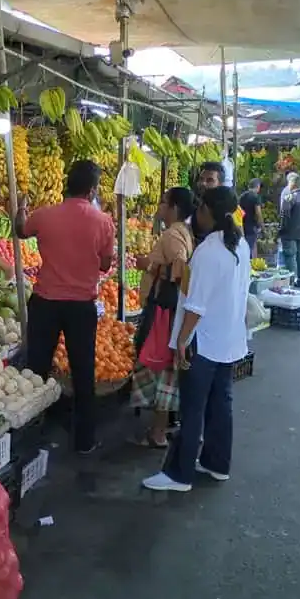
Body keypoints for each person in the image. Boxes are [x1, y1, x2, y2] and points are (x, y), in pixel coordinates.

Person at [142, 187, 251, 493]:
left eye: (200, 209)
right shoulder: (240, 246)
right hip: (228, 340)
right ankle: (217, 463)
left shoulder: (208, 253)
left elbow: (196, 306)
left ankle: (179, 473)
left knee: (192, 407)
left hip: (202, 341)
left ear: (208, 214)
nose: (196, 215)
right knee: (220, 403)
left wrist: (181, 341)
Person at [15, 160, 115, 453]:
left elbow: (21, 231)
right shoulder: (103, 221)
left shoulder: (45, 215)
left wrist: (21, 207)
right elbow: (106, 264)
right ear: (93, 189)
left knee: (37, 368)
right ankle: (84, 440)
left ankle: (32, 436)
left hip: (45, 302)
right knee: (83, 372)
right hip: (81, 306)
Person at [129, 187, 195, 448]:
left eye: (164, 202)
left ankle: (158, 432)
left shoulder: (172, 235)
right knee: (162, 366)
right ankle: (161, 426)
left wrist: (149, 265)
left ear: (175, 208)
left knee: (160, 366)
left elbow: (180, 270)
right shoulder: (184, 232)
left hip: (163, 310)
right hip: (167, 308)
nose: (159, 205)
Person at [191, 162, 225, 244]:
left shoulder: (231, 209)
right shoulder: (192, 205)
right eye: (201, 179)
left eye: (210, 180)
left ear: (220, 184)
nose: (203, 183)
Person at [239, 179, 263, 257]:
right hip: (251, 227)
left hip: (242, 226)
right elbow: (258, 213)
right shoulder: (255, 197)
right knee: (250, 249)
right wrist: (261, 226)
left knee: (244, 248)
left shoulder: (242, 196)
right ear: (258, 186)